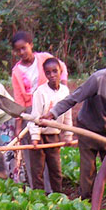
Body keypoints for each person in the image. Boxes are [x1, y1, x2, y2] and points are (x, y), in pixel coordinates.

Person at [43, 48, 106, 210]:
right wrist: (53, 113)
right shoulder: (98, 80)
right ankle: (85, 207)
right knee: (88, 170)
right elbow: (74, 98)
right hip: (87, 128)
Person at [10, 31, 68, 189]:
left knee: (51, 152)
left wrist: (64, 89)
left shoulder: (43, 58)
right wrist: (18, 125)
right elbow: (19, 99)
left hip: (48, 109)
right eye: (18, 50)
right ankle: (37, 190)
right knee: (34, 155)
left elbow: (61, 67)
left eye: (24, 48)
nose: (22, 52)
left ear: (31, 45)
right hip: (30, 114)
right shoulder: (17, 71)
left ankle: (52, 191)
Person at [28, 58, 73, 192]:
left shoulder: (65, 91)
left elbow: (68, 115)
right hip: (40, 136)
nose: (52, 75)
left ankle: (58, 197)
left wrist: (68, 135)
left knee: (56, 170)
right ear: (45, 75)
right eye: (48, 73)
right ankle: (38, 199)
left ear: (61, 71)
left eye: (55, 71)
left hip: (54, 135)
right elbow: (35, 116)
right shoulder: (40, 92)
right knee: (38, 170)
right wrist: (35, 137)